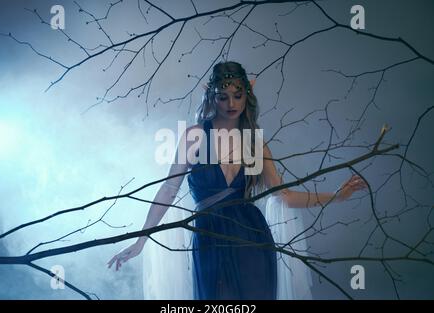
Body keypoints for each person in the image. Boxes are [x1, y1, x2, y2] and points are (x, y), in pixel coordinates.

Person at [107, 61, 367, 300]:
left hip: (253, 238)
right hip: (209, 235)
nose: (231, 103)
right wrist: (141, 239)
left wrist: (336, 196)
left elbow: (284, 196)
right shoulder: (194, 137)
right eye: (223, 96)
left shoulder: (255, 143)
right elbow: (169, 189)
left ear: (248, 95)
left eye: (238, 95)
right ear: (212, 96)